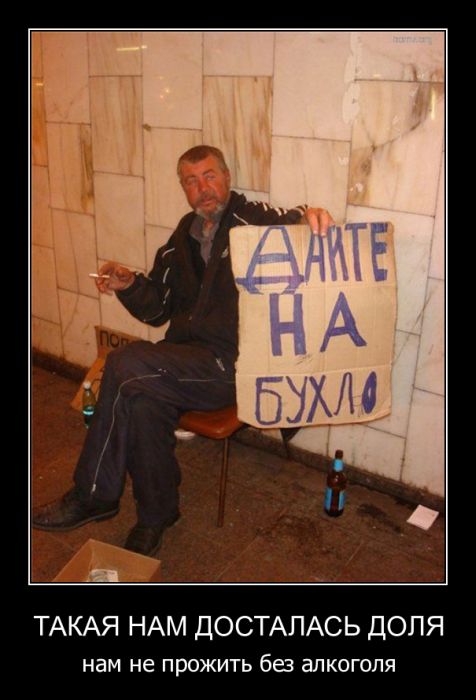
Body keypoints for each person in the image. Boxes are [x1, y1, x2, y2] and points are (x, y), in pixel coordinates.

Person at [32, 145, 334, 556]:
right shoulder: (182, 236)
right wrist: (129, 284)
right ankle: (156, 515)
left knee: (121, 364)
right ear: (183, 189)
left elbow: (294, 219)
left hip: (232, 367)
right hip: (183, 361)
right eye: (191, 181)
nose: (202, 188)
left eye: (209, 176)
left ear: (227, 178)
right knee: (141, 402)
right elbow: (158, 309)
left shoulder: (251, 219)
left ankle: (94, 494)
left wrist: (311, 215)